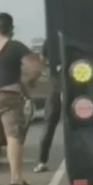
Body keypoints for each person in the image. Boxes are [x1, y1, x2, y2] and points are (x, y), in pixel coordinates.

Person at [0, 12, 44, 185]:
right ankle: (16, 178)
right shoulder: (16, 47)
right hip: (9, 96)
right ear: (11, 29)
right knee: (13, 136)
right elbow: (36, 66)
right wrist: (30, 80)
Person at [33, 39, 62, 172]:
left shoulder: (51, 39)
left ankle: (42, 161)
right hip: (76, 80)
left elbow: (42, 59)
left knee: (49, 122)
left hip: (56, 82)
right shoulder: (77, 33)